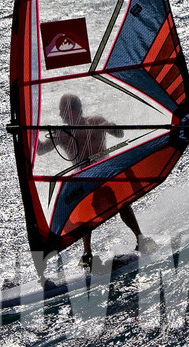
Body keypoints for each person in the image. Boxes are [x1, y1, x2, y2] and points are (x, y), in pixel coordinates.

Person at [39, 93, 158, 271]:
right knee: (84, 213)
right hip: (84, 178)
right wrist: (28, 135)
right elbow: (41, 150)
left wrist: (108, 126)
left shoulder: (95, 122)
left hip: (104, 172)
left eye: (62, 110)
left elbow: (120, 134)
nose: (60, 115)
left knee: (122, 203)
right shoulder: (61, 134)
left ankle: (140, 238)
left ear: (74, 110)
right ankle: (87, 253)